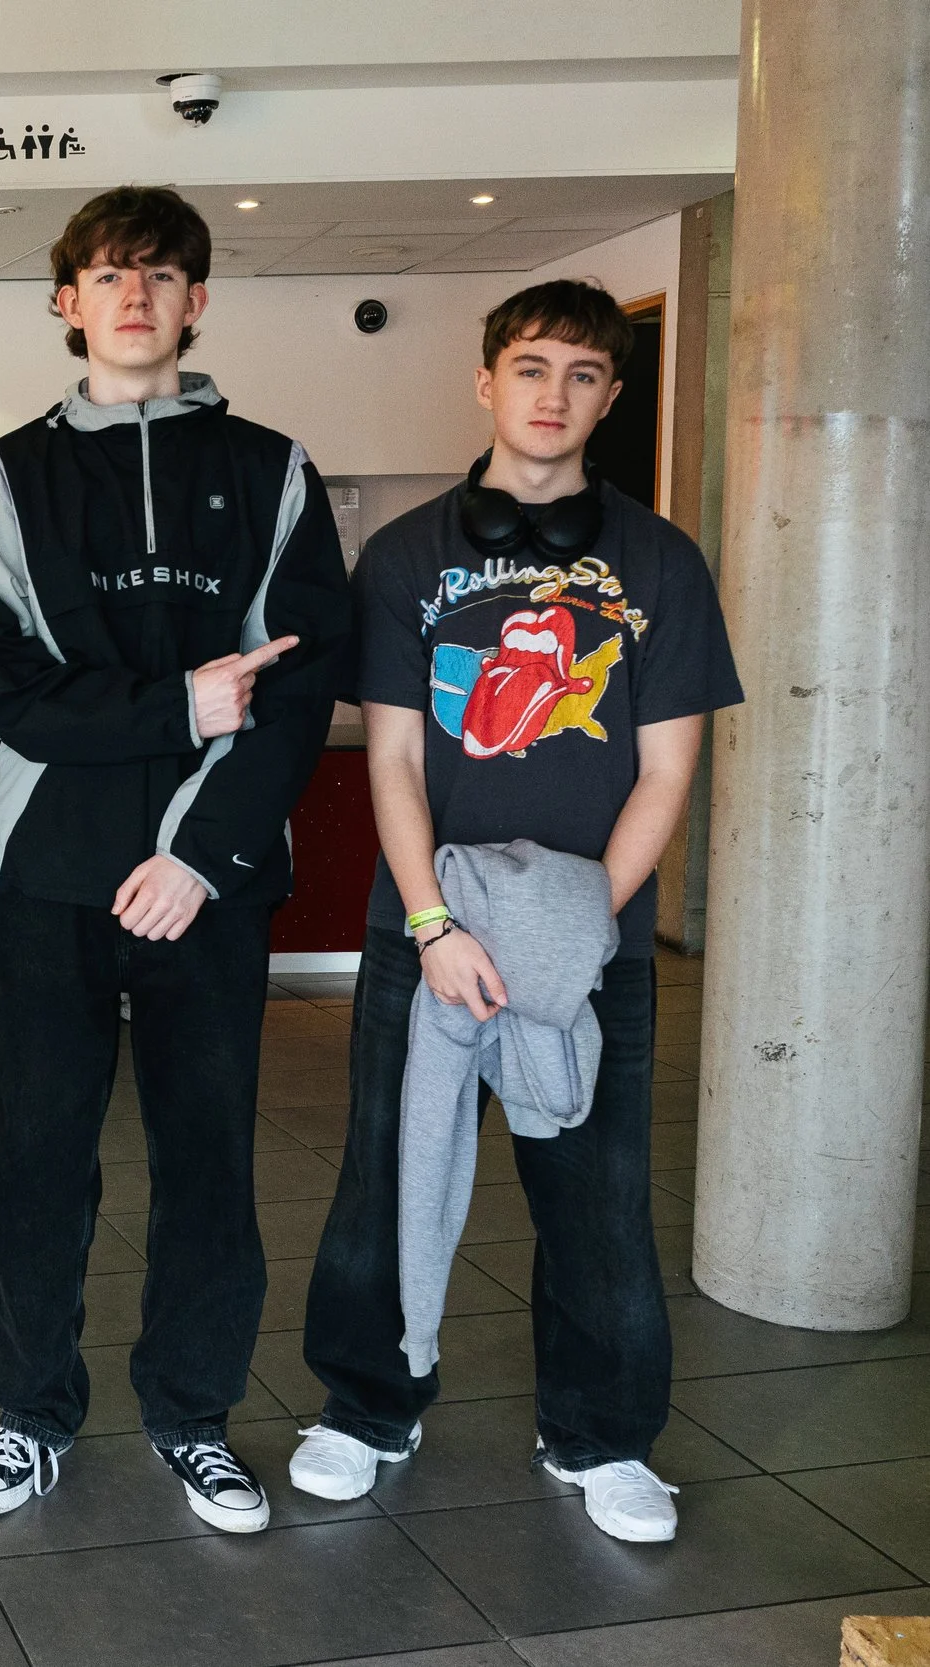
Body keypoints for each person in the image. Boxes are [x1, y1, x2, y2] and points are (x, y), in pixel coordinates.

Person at [292, 279, 741, 1545]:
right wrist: (436, 924)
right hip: (423, 924)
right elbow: (389, 758)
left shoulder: (659, 559)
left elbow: (666, 770)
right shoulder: (406, 555)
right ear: (485, 380)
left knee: (593, 1183)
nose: (553, 395)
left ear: (608, 395)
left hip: (585, 933)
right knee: (391, 1171)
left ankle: (599, 1436)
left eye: (583, 374)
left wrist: (573, 925)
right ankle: (368, 1406)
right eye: (531, 367)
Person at [0, 185, 354, 1532]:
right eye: (109, 274)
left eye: (162, 274)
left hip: (214, 878)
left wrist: (199, 850)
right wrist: (178, 703)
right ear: (67, 302)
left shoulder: (273, 469)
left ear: (196, 301)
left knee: (208, 1159)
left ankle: (193, 1413)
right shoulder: (4, 477)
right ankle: (31, 1413)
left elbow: (293, 688)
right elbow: (4, 693)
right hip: (45, 871)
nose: (135, 294)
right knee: (40, 1155)